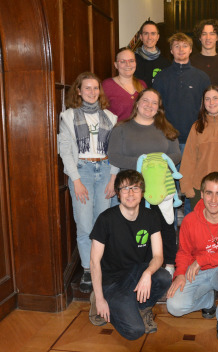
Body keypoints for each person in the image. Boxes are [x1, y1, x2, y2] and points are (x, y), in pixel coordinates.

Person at [167, 172, 218, 342]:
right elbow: (183, 252)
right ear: (202, 194)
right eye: (209, 193)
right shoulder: (190, 220)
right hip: (197, 273)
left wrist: (203, 260)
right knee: (174, 306)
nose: (213, 199)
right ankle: (208, 300)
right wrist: (180, 274)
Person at [107, 88, 181, 276]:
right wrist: (142, 163)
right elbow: (114, 156)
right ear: (137, 103)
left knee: (165, 226)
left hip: (162, 188)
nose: (149, 105)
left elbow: (176, 156)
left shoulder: (166, 128)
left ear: (159, 108)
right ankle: (141, 266)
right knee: (138, 228)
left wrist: (155, 162)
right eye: (145, 101)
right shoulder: (121, 128)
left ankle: (170, 265)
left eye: (154, 102)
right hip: (133, 189)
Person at [89, 170, 171, 339]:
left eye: (135, 188)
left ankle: (142, 308)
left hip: (135, 276)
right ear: (118, 194)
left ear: (142, 192)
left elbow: (158, 256)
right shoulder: (106, 220)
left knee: (163, 277)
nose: (130, 193)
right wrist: (100, 299)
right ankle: (101, 302)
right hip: (111, 284)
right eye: (125, 188)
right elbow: (94, 262)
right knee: (135, 332)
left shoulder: (151, 217)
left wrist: (147, 274)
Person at [58, 72, 118, 293]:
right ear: (79, 91)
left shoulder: (110, 118)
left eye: (96, 88)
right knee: (84, 224)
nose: (92, 92)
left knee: (102, 223)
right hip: (82, 171)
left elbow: (115, 151)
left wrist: (113, 177)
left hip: (104, 171)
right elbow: (64, 150)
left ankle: (100, 265)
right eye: (87, 88)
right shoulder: (68, 116)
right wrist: (76, 180)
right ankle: (87, 269)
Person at [153, 32, 210, 149]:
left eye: (185, 45)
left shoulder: (202, 77)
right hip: (167, 138)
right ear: (171, 50)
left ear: (190, 50)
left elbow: (208, 109)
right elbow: (155, 109)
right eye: (176, 46)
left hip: (195, 138)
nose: (181, 49)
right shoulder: (161, 77)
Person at [102, 47, 147, 122]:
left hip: (140, 132)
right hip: (116, 132)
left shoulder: (142, 85)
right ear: (116, 65)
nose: (128, 64)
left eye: (131, 61)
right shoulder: (106, 85)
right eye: (122, 61)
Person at [190, 19, 218, 86]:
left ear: (217, 37)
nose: (208, 37)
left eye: (212, 34)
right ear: (199, 37)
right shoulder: (190, 62)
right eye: (204, 34)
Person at [134, 20, 171, 87]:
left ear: (158, 37)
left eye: (153, 33)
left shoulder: (166, 64)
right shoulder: (132, 61)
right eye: (146, 33)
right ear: (141, 37)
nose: (149, 37)